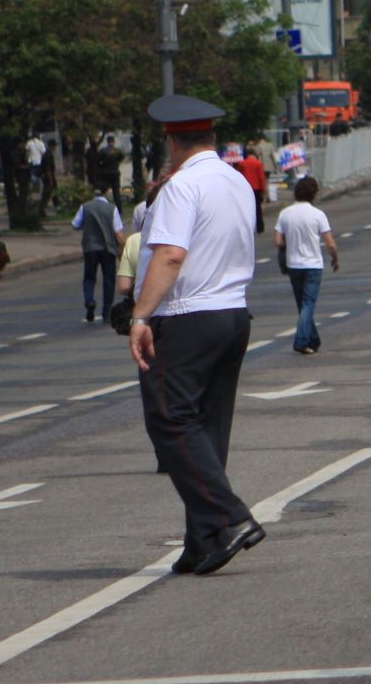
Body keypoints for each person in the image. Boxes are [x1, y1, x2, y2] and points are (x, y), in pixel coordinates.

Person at [127, 95, 264, 576]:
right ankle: (202, 540)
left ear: (171, 139)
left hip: (186, 315)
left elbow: (169, 255)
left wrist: (140, 317)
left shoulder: (181, 187)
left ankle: (229, 519)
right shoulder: (236, 181)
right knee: (208, 427)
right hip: (233, 313)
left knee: (169, 419)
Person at [274, 176, 340, 355]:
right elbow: (331, 244)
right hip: (313, 264)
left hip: (293, 264)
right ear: (314, 193)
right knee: (308, 304)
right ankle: (301, 341)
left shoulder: (285, 213)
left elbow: (277, 240)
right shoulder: (317, 214)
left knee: (302, 305)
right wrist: (335, 258)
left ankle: (313, 339)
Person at [73, 188, 125, 323]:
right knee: (109, 280)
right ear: (107, 192)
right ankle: (106, 312)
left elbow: (75, 224)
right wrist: (123, 249)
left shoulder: (85, 207)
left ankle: (89, 300)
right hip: (109, 249)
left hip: (90, 248)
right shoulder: (112, 209)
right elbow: (118, 232)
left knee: (89, 278)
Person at [233, 145, 266, 232]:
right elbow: (261, 178)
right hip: (256, 188)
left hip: (245, 188)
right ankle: (259, 226)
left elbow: (238, 175)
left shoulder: (242, 163)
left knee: (246, 208)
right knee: (257, 208)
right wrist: (263, 190)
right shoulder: (258, 163)